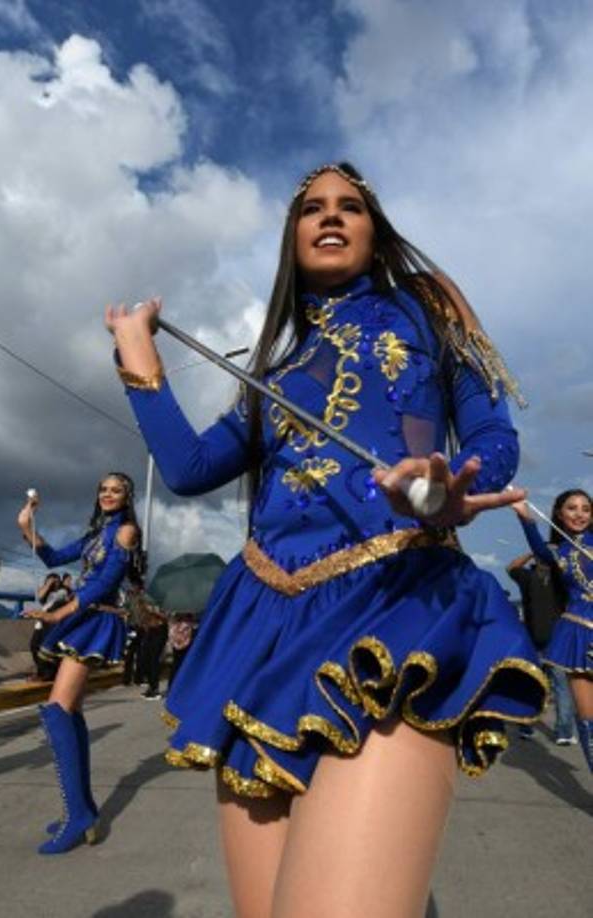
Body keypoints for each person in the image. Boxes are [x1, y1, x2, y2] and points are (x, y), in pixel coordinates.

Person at [106, 162, 547, 917]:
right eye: (311, 207)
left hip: (392, 602)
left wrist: (451, 487)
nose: (330, 216)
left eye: (350, 206)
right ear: (292, 236)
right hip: (260, 626)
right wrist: (139, 362)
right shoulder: (271, 376)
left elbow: (488, 430)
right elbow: (187, 469)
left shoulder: (426, 310)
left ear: (376, 233)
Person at [17, 473, 142, 854]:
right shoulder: (94, 535)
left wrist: (59, 614)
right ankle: (83, 810)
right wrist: (27, 528)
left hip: (96, 620)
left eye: (115, 490)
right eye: (102, 489)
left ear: (126, 497)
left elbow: (104, 584)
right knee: (68, 713)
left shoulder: (126, 532)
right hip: (83, 619)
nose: (107, 494)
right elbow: (54, 558)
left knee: (57, 710)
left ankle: (78, 816)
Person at [512, 490, 593, 771]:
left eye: (585, 508)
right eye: (572, 508)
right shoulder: (558, 553)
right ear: (559, 514)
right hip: (578, 635)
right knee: (588, 721)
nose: (579, 514)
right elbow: (539, 549)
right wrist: (525, 518)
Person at [507, 552, 577, 744]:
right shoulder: (561, 581)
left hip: (533, 638)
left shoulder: (527, 578)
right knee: (562, 687)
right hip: (558, 640)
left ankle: (526, 726)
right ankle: (563, 732)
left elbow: (511, 567)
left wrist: (530, 553)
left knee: (531, 684)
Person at [28, 572, 63, 681]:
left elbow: (59, 601)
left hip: (52, 625)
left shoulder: (62, 592)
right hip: (40, 623)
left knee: (47, 649)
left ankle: (47, 674)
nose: (54, 583)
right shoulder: (43, 590)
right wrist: (48, 585)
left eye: (56, 581)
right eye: (52, 580)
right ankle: (42, 672)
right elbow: (40, 597)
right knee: (34, 646)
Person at [167, 612, 196, 689]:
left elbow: (171, 636)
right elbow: (189, 637)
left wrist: (175, 644)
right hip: (185, 648)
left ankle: (171, 687)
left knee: (175, 666)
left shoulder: (173, 625)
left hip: (176, 647)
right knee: (184, 666)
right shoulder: (187, 626)